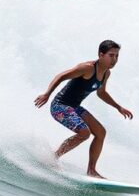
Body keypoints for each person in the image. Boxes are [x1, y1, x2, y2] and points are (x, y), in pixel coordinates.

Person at [33, 40, 133, 179]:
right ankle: (53, 157)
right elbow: (61, 76)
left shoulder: (106, 73)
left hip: (74, 107)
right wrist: (47, 94)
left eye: (116, 56)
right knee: (84, 133)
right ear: (101, 55)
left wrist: (118, 107)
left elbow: (101, 93)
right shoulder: (87, 68)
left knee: (100, 132)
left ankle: (91, 170)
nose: (114, 59)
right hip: (60, 105)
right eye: (111, 55)